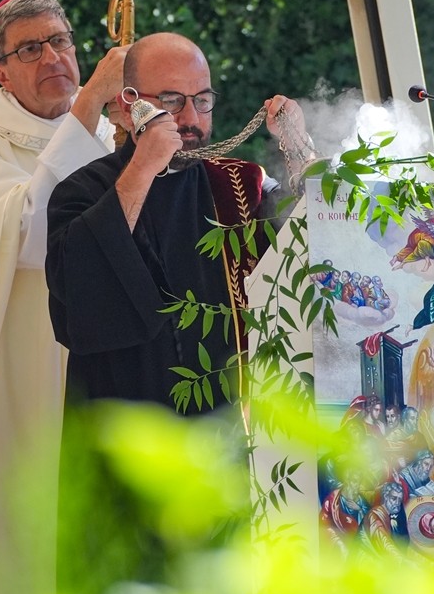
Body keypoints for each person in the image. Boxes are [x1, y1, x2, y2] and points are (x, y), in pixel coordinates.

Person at [0, 0, 128, 594]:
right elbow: (31, 236)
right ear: (1, 72)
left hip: (113, 363)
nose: (53, 56)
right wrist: (89, 104)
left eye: (61, 41)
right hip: (24, 372)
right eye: (30, 48)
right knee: (31, 531)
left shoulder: (115, 135)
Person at [45, 31, 312, 403]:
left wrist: (298, 145)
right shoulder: (80, 192)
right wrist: (143, 168)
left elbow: (312, 245)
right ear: (129, 105)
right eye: (171, 101)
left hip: (232, 431)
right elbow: (79, 300)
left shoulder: (237, 183)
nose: (190, 118)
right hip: (129, 430)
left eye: (202, 101)